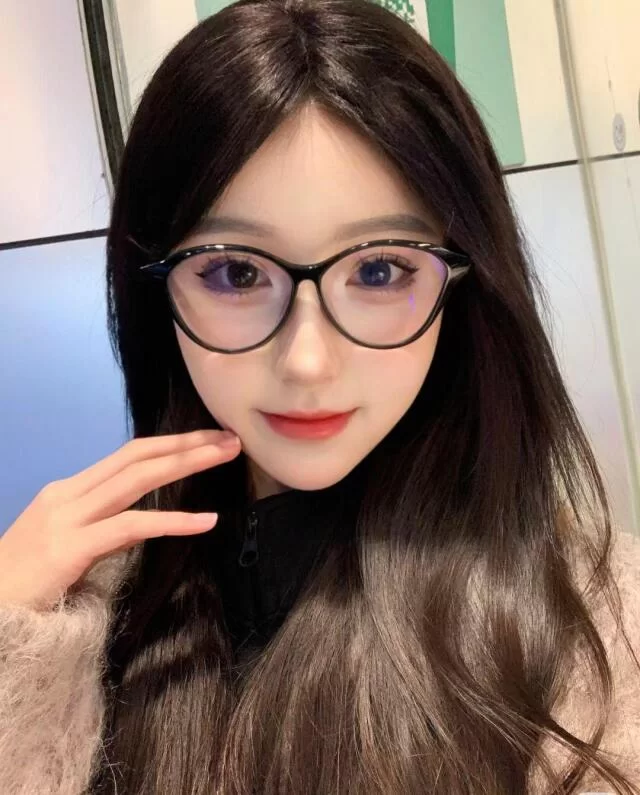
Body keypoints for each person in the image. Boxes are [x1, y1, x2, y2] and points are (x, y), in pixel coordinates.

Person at [0, 0, 639, 792]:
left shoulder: (596, 633)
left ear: (464, 284)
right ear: (153, 288)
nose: (307, 360)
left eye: (379, 270)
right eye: (235, 272)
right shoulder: (77, 621)